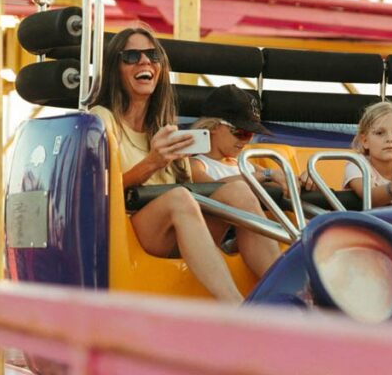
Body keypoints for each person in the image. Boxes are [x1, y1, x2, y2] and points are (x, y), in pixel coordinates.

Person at [90, 27, 277, 303]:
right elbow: (97, 190)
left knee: (236, 191)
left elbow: (196, 187)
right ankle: (236, 306)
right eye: (131, 56)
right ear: (115, 68)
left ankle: (291, 295)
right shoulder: (101, 119)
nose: (144, 62)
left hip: (182, 225)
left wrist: (265, 177)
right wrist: (153, 162)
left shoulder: (165, 127)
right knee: (178, 198)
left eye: (152, 55)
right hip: (132, 229)